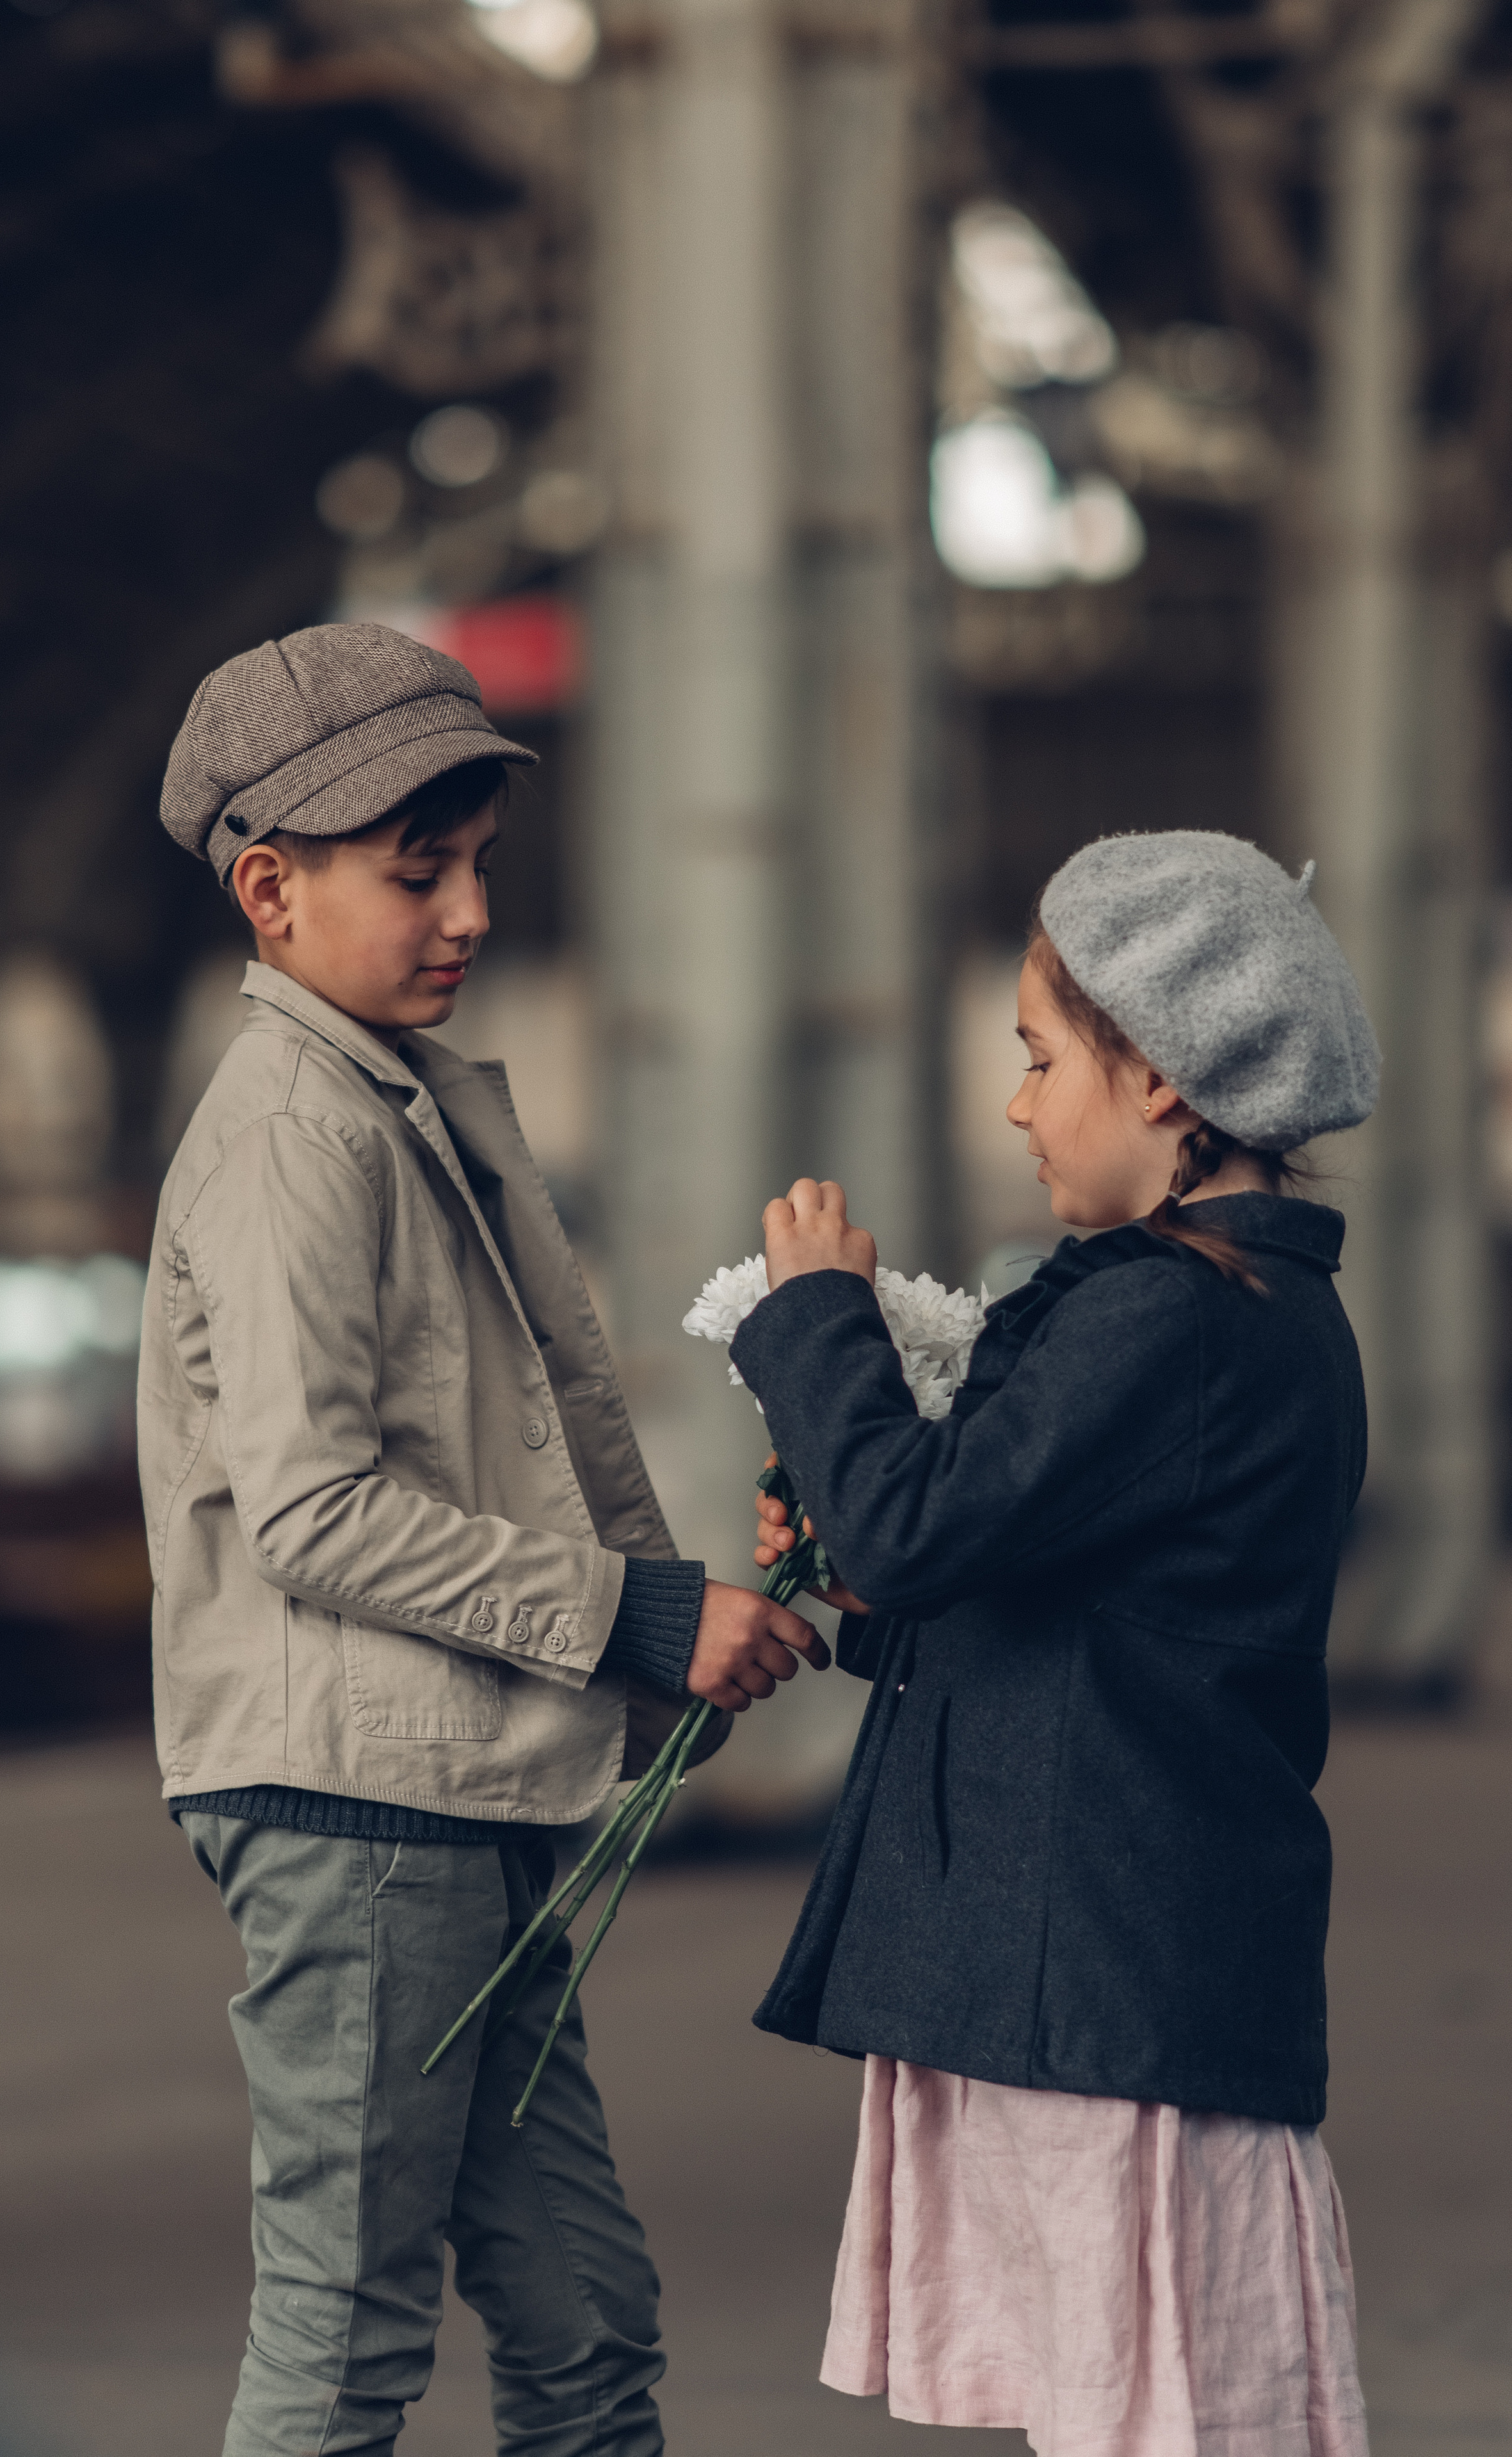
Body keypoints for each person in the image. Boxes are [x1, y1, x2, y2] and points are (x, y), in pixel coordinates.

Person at [140, 621, 828, 2457]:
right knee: (348, 2340)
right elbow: (316, 1508)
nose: (466, 912)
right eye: (415, 869)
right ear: (269, 888)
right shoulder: (299, 1129)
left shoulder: (391, 1097)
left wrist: (680, 1613)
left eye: (478, 867)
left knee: (585, 2318)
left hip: (457, 1790)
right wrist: (643, 1612)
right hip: (358, 1810)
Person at [739, 829, 1380, 2457]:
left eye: (1037, 1058)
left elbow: (915, 1523)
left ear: (1161, 1077)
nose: (1018, 1104)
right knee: (1136, 2401)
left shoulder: (1165, 1311)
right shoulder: (1233, 1307)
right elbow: (1054, 1585)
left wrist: (817, 1322)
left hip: (1101, 1967)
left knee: (1138, 2407)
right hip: (1110, 1960)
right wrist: (873, 1581)